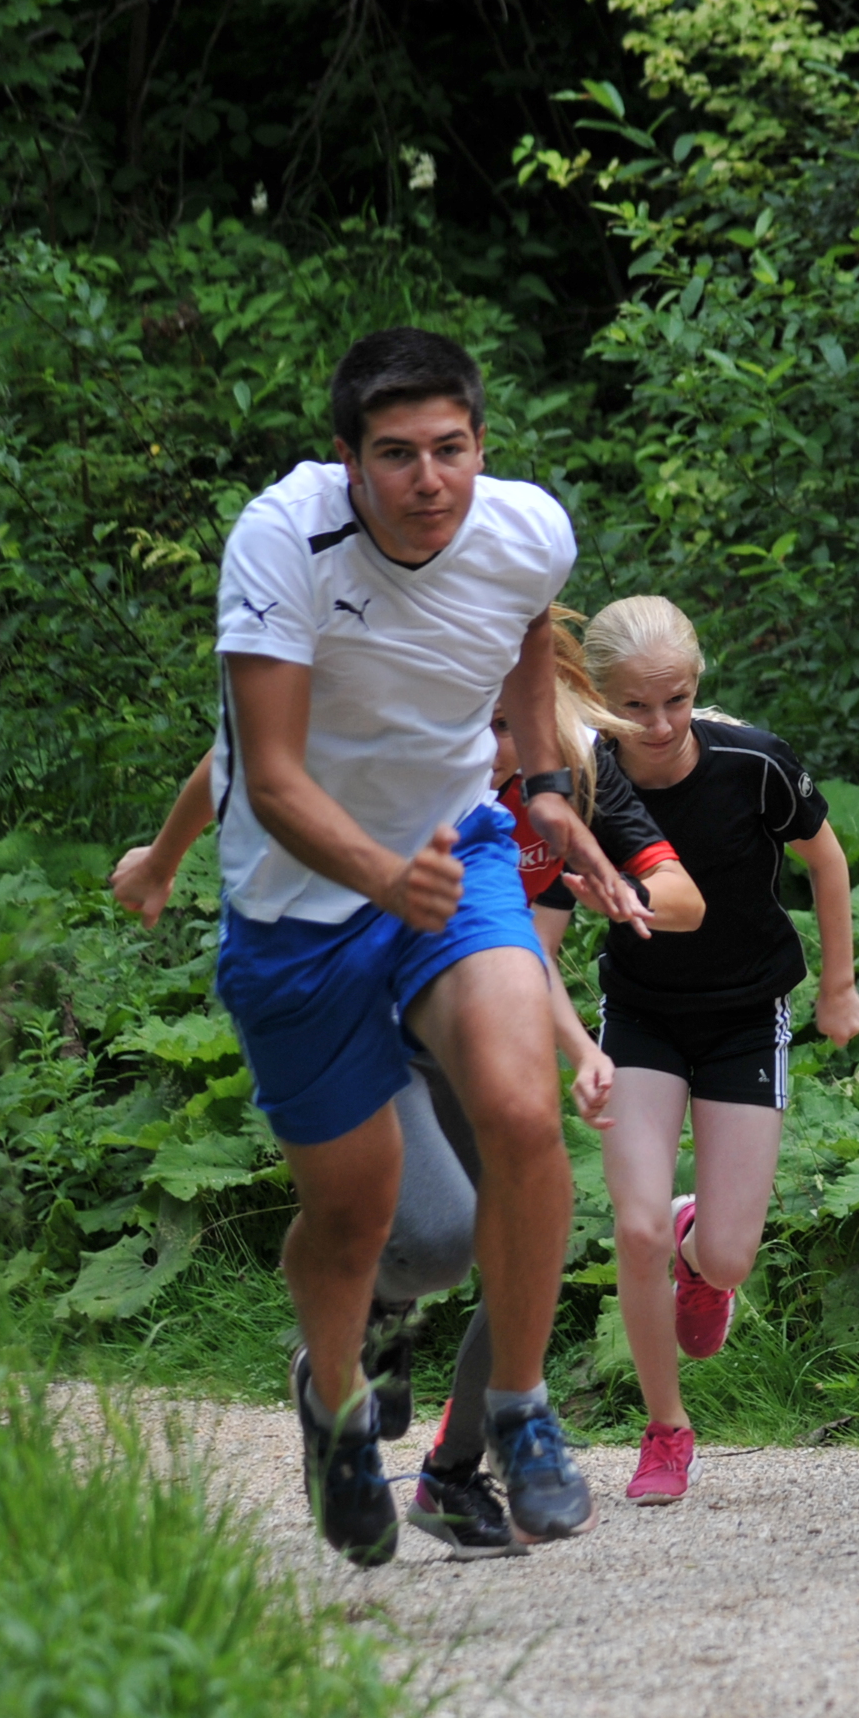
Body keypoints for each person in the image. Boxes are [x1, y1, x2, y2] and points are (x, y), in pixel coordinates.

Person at [112, 609, 703, 1551]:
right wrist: (161, 860)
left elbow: (665, 904)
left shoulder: (569, 777)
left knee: (526, 1236)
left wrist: (615, 914)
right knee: (436, 1243)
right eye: (486, 724)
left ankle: (455, 1474)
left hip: (477, 1013)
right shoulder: (397, 737)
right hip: (373, 1011)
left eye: (515, 725)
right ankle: (367, 1325)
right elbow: (235, 759)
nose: (499, 748)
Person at [204, 325, 651, 1565]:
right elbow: (270, 778)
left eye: (450, 449)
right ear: (347, 459)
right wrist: (377, 878)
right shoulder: (281, 542)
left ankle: (518, 1411)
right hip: (298, 908)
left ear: (481, 446)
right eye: (395, 455)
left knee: (519, 1110)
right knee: (358, 1220)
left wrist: (545, 782)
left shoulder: (527, 531)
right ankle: (337, 1405)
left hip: (457, 857)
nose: (427, 480)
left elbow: (523, 635)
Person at [578, 594, 859, 1508]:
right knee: (634, 1230)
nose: (660, 725)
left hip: (746, 1014)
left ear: (698, 684)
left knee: (732, 1258)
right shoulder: (582, 781)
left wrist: (838, 985)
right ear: (596, 698)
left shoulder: (754, 763)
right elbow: (539, 900)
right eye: (635, 706)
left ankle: (702, 1251)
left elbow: (827, 861)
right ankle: (666, 1430)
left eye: (677, 699)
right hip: (642, 1015)